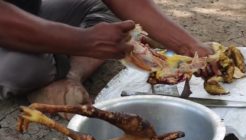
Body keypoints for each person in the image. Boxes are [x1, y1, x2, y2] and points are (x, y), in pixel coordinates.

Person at [0, 0, 216, 114]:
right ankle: (47, 72)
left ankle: (71, 76)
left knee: (104, 9)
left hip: (23, 14)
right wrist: (83, 41)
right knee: (26, 67)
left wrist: (187, 45)